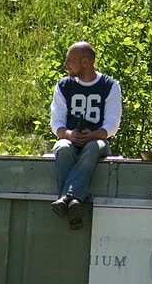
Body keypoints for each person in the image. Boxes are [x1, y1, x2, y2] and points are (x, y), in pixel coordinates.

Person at [50, 42, 122, 230]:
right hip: (70, 140)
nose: (66, 64)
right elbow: (56, 123)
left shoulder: (110, 85)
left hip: (97, 141)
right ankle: (75, 205)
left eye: (70, 60)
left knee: (92, 147)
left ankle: (66, 197)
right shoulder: (63, 86)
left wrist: (93, 135)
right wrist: (70, 134)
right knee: (63, 148)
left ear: (86, 62)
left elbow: (112, 125)